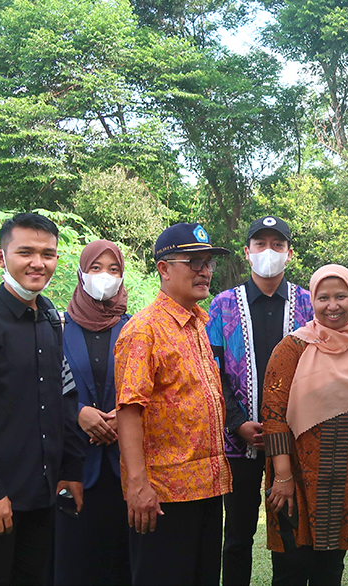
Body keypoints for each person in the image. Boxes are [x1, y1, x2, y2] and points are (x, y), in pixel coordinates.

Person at [0, 211, 85, 585]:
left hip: (40, 489)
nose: (38, 263)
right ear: (0, 257)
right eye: (25, 252)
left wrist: (70, 470)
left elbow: (62, 398)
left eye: (48, 253)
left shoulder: (50, 319)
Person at [115, 222, 232, 585]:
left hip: (209, 487)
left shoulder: (199, 323)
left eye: (208, 262)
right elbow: (129, 411)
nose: (205, 270)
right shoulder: (143, 330)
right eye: (193, 262)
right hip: (165, 495)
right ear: (164, 269)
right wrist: (138, 485)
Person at [262, 264, 348, 586]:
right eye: (323, 298)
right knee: (291, 568)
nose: (332, 305)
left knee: (330, 571)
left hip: (347, 482)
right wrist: (282, 477)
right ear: (313, 302)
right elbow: (273, 416)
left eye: (341, 296)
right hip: (296, 480)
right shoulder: (292, 349)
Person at [206, 216, 313, 586]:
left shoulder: (309, 305)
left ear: (289, 253)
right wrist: (237, 423)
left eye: (278, 245)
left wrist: (284, 428)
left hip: (295, 442)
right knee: (237, 537)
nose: (269, 252)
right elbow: (213, 370)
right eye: (261, 244)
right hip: (239, 444)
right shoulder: (220, 307)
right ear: (248, 253)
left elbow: (321, 371)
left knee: (291, 535)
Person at [54, 239, 132, 585]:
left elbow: (149, 386)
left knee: (121, 558)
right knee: (74, 557)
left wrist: (123, 414)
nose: (105, 276)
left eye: (113, 269)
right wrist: (77, 413)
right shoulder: (55, 327)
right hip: (71, 463)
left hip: (124, 466)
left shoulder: (134, 328)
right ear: (80, 274)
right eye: (96, 269)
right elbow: (41, 389)